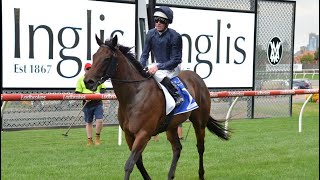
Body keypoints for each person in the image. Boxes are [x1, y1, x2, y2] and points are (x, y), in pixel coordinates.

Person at [140, 6, 184, 106]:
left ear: (167, 23)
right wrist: (140, 67)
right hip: (158, 65)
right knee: (145, 71)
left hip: (173, 67)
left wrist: (158, 67)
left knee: (156, 73)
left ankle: (176, 94)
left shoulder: (175, 36)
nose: (158, 23)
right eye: (156, 20)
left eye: (162, 21)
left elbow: (175, 60)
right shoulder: (150, 34)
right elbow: (144, 54)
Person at [75, 63, 106, 146]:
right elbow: (77, 92)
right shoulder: (80, 79)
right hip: (87, 103)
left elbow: (103, 89)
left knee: (99, 120)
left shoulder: (97, 78)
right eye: (87, 69)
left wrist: (98, 93)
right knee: (89, 122)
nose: (89, 70)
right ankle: (89, 140)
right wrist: (85, 97)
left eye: (90, 69)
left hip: (97, 102)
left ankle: (97, 137)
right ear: (85, 70)